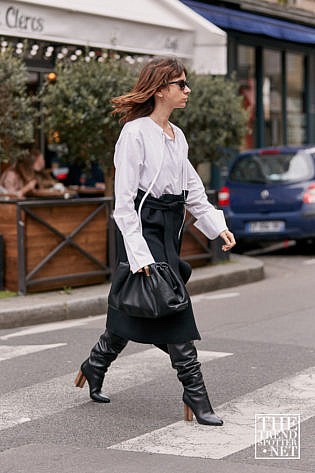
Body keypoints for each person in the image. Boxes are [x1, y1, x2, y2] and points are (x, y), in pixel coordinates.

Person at [75, 56, 236, 426]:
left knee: (136, 307)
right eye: (181, 84)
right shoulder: (134, 133)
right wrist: (138, 252)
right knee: (173, 307)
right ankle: (196, 396)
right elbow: (124, 201)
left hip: (169, 229)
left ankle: (94, 365)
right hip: (144, 230)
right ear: (161, 88)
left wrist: (216, 224)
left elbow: (192, 189)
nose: (187, 90)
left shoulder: (177, 136)